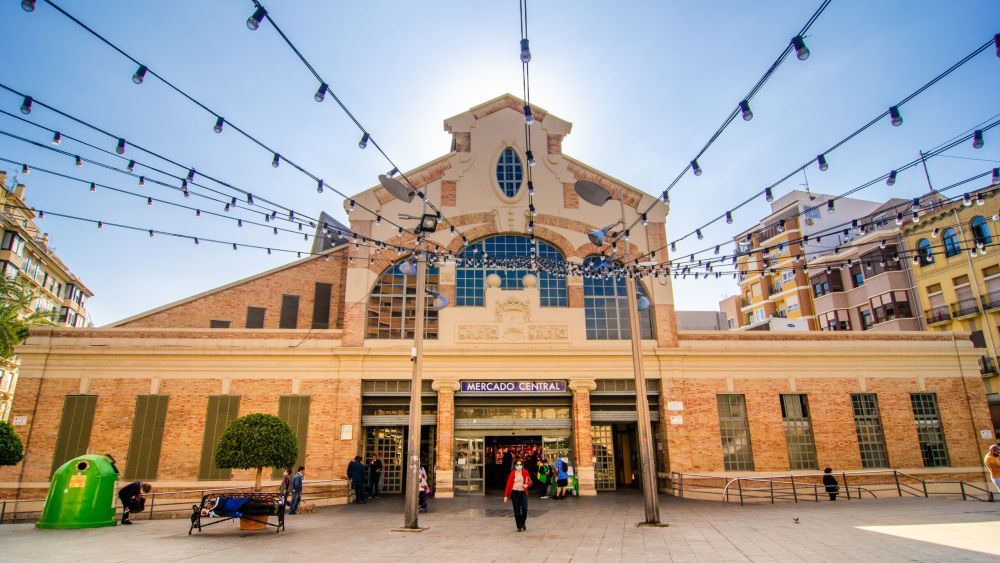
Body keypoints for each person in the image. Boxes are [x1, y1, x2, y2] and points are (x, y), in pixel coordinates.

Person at [503, 458, 532, 532]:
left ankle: (523, 523)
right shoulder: (512, 473)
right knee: (517, 510)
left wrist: (527, 485)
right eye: (517, 465)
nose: (519, 466)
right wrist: (506, 496)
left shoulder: (525, 472)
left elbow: (530, 482)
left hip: (523, 493)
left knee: (525, 508)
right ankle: (519, 526)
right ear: (515, 466)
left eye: (520, 464)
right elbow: (508, 485)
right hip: (514, 492)